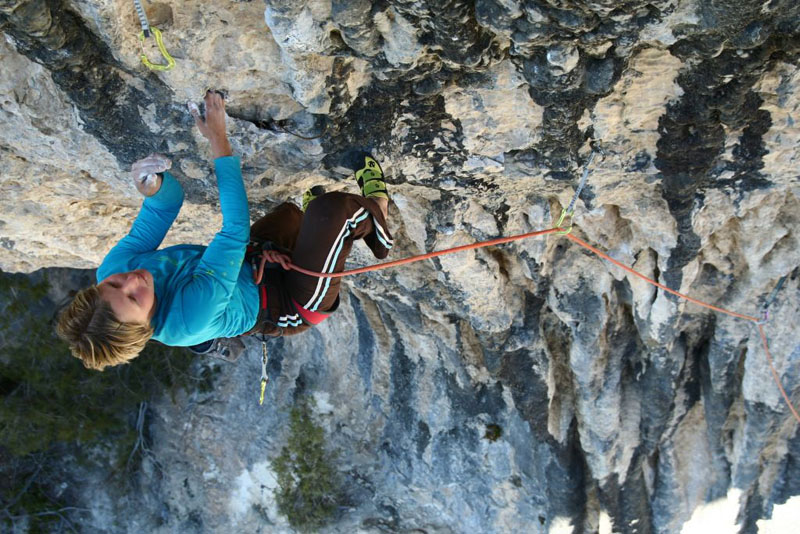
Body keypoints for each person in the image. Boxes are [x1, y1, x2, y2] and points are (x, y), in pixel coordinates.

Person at [56, 91, 392, 370]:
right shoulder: (189, 319)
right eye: (133, 298)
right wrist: (218, 137)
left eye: (114, 285)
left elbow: (164, 206)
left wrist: (152, 187)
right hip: (288, 303)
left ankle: (315, 230)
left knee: (290, 216)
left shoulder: (114, 268)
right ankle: (378, 213)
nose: (132, 280)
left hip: (255, 262)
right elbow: (233, 231)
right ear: (144, 328)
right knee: (331, 211)